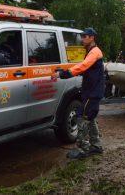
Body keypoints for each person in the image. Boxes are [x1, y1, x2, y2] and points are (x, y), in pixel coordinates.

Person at [51, 27, 105, 159]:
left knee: (82, 117)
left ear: (92, 38)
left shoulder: (94, 52)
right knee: (90, 118)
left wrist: (64, 73)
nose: (83, 38)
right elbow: (83, 66)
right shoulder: (91, 51)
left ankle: (82, 149)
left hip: (92, 92)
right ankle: (96, 146)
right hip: (91, 91)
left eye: (85, 36)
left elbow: (83, 66)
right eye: (82, 36)